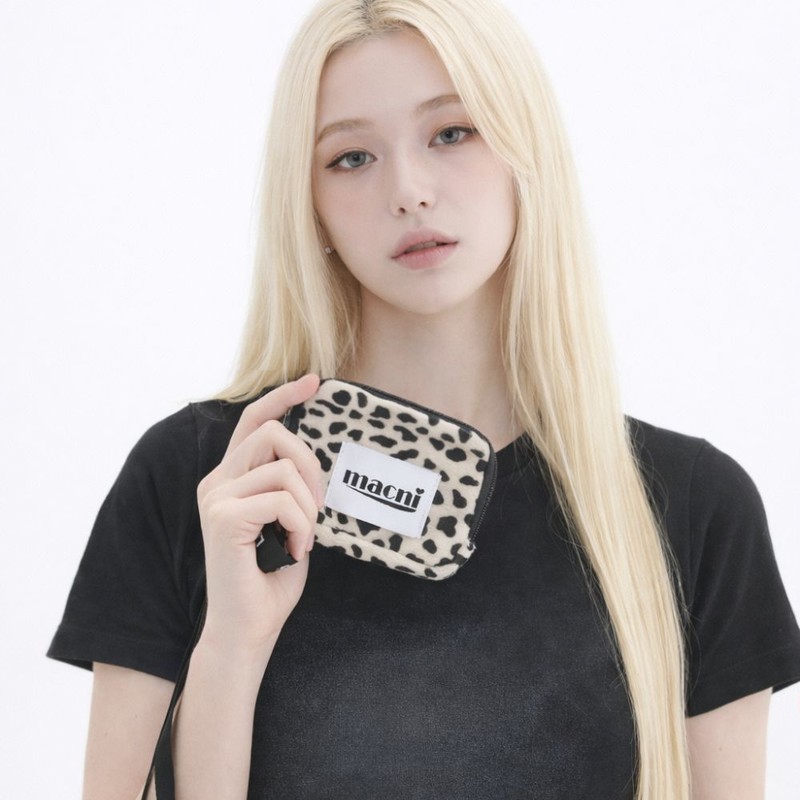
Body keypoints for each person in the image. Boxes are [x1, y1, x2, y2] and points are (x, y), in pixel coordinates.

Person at [48, 1, 800, 798]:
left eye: (452, 132)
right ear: (308, 202)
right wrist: (233, 644)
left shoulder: (690, 509)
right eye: (350, 157)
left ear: (525, 151)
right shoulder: (211, 480)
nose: (408, 191)